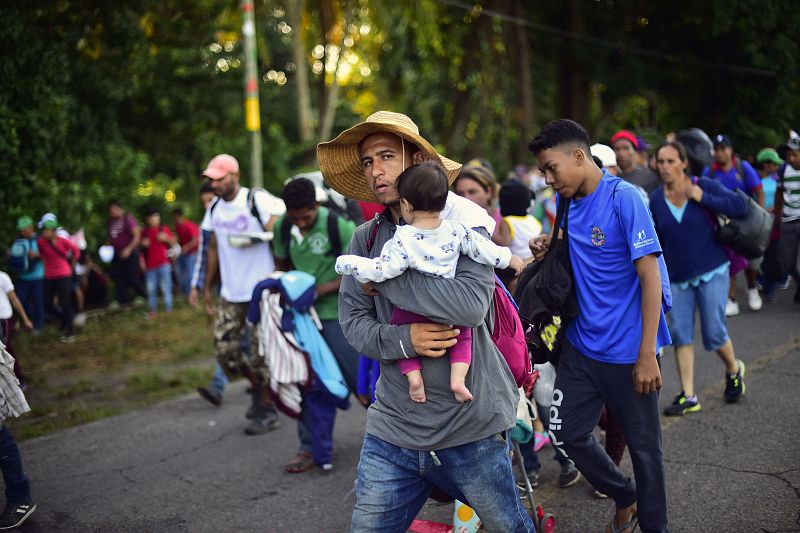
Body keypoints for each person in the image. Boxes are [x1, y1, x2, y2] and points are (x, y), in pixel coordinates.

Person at [319, 111, 533, 532]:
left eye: (386, 156)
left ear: (416, 159)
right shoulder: (366, 239)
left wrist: (384, 283)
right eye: (367, 162)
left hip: (470, 427)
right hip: (394, 429)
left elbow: (471, 305)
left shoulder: (463, 227)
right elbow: (353, 322)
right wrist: (405, 339)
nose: (376, 170)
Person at [528, 119, 672, 533]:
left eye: (552, 168)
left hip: (629, 352)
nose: (549, 179)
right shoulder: (569, 202)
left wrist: (647, 354)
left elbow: (650, 277)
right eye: (543, 172)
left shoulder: (625, 198)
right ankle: (624, 495)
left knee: (646, 451)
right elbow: (587, 250)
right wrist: (551, 244)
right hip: (579, 346)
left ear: (579, 156)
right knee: (565, 431)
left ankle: (654, 526)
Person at [336, 162, 523, 404]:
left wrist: (351, 265)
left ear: (407, 204)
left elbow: (385, 268)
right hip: (449, 312)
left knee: (399, 327)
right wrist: (510, 259)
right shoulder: (457, 230)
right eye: (368, 161)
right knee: (463, 336)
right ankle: (458, 380)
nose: (375, 170)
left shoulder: (401, 237)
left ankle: (414, 379)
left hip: (410, 311)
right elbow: (485, 251)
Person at [649, 140, 747, 416]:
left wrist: (702, 197)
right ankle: (689, 395)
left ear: (683, 163)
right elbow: (656, 240)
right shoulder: (656, 199)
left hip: (713, 270)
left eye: (671, 161)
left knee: (714, 332)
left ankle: (733, 368)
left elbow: (739, 205)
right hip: (678, 277)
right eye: (661, 162)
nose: (665, 167)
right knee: (681, 334)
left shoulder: (704, 184)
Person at [271, 177, 360, 473]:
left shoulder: (339, 227)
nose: (301, 223)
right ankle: (308, 447)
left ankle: (399, 442)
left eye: (306, 217)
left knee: (358, 379)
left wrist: (319, 290)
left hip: (336, 314)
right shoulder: (282, 228)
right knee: (306, 382)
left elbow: (356, 272)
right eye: (294, 218)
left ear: (317, 206)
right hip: (301, 319)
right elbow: (282, 267)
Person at [200, 153, 286, 435]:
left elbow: (280, 230)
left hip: (260, 289)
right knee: (225, 349)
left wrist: (279, 270)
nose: (214, 184)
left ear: (235, 176)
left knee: (261, 352)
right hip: (231, 292)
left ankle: (267, 407)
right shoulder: (213, 208)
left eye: (219, 179)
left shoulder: (255, 200)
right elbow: (212, 247)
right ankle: (258, 387)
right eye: (211, 180)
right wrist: (205, 285)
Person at [702, 134, 765, 315]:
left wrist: (760, 216)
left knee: (751, 259)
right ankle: (732, 298)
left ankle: (752, 288)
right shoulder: (710, 172)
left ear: (730, 150)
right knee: (728, 261)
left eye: (723, 149)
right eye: (716, 149)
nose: (719, 153)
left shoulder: (742, 167)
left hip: (746, 220)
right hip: (723, 224)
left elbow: (758, 190)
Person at [452, 159, 512, 246]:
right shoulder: (451, 221)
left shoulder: (506, 220)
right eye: (460, 193)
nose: (466, 198)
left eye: (472, 192)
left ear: (489, 192)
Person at [38, 218, 79, 343]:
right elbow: (42, 255)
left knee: (65, 302)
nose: (44, 232)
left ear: (53, 231)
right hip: (49, 276)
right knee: (46, 303)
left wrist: (71, 267)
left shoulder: (63, 241)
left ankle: (70, 331)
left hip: (63, 274)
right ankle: (63, 319)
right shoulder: (41, 242)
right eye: (43, 230)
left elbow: (76, 251)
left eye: (47, 230)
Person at [8, 216, 44, 333]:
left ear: (30, 227)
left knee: (38, 302)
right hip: (23, 277)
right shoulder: (18, 240)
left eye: (24, 229)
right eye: (21, 230)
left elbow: (46, 255)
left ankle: (38, 327)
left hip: (37, 276)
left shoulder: (39, 239)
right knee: (21, 300)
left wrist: (35, 255)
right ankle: (29, 320)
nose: (22, 232)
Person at [106, 200, 147, 305]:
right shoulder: (111, 222)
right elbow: (111, 237)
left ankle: (144, 295)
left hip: (131, 252)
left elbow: (137, 236)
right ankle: (122, 300)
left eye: (114, 209)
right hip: (117, 253)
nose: (112, 212)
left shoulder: (128, 219)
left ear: (120, 209)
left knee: (132, 276)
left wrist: (128, 249)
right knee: (119, 277)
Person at [776, 134, 800, 304]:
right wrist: (777, 217)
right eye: (789, 155)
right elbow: (779, 193)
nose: (791, 158)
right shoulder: (783, 169)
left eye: (795, 154)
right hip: (788, 220)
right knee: (787, 262)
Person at [141, 207, 176, 317]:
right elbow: (140, 249)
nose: (156, 219)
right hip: (150, 266)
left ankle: (168, 310)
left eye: (157, 216)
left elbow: (173, 241)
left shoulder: (163, 228)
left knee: (166, 287)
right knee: (151, 289)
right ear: (148, 219)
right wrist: (143, 244)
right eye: (153, 217)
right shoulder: (144, 232)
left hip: (164, 263)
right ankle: (152, 311)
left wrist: (166, 238)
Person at [0, 270, 33, 387]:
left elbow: (14, 299)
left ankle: (19, 378)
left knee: (6, 349)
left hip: (4, 319)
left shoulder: (2, 277)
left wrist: (25, 319)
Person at [611, 129, 660, 194]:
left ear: (634, 150)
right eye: (617, 149)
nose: (621, 153)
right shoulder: (611, 178)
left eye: (626, 148)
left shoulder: (650, 177)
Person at [172, 207, 199, 296]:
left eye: (175, 217)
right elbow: (178, 239)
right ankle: (186, 291)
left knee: (190, 273)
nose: (175, 219)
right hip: (183, 253)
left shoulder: (188, 225)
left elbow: (195, 240)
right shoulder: (177, 226)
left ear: (179, 216)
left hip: (192, 253)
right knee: (178, 270)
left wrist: (186, 247)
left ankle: (192, 293)